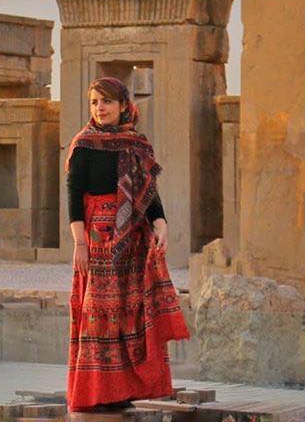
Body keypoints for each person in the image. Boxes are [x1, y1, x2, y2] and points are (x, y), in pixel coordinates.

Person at [65, 76, 190, 411]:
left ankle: (128, 389)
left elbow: (148, 191)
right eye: (94, 102)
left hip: (134, 239)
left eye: (106, 101)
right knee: (100, 311)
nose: (100, 108)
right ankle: (97, 391)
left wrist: (160, 222)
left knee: (132, 312)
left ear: (123, 105)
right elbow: (74, 195)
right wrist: (80, 243)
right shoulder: (84, 144)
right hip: (98, 238)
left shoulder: (136, 144)